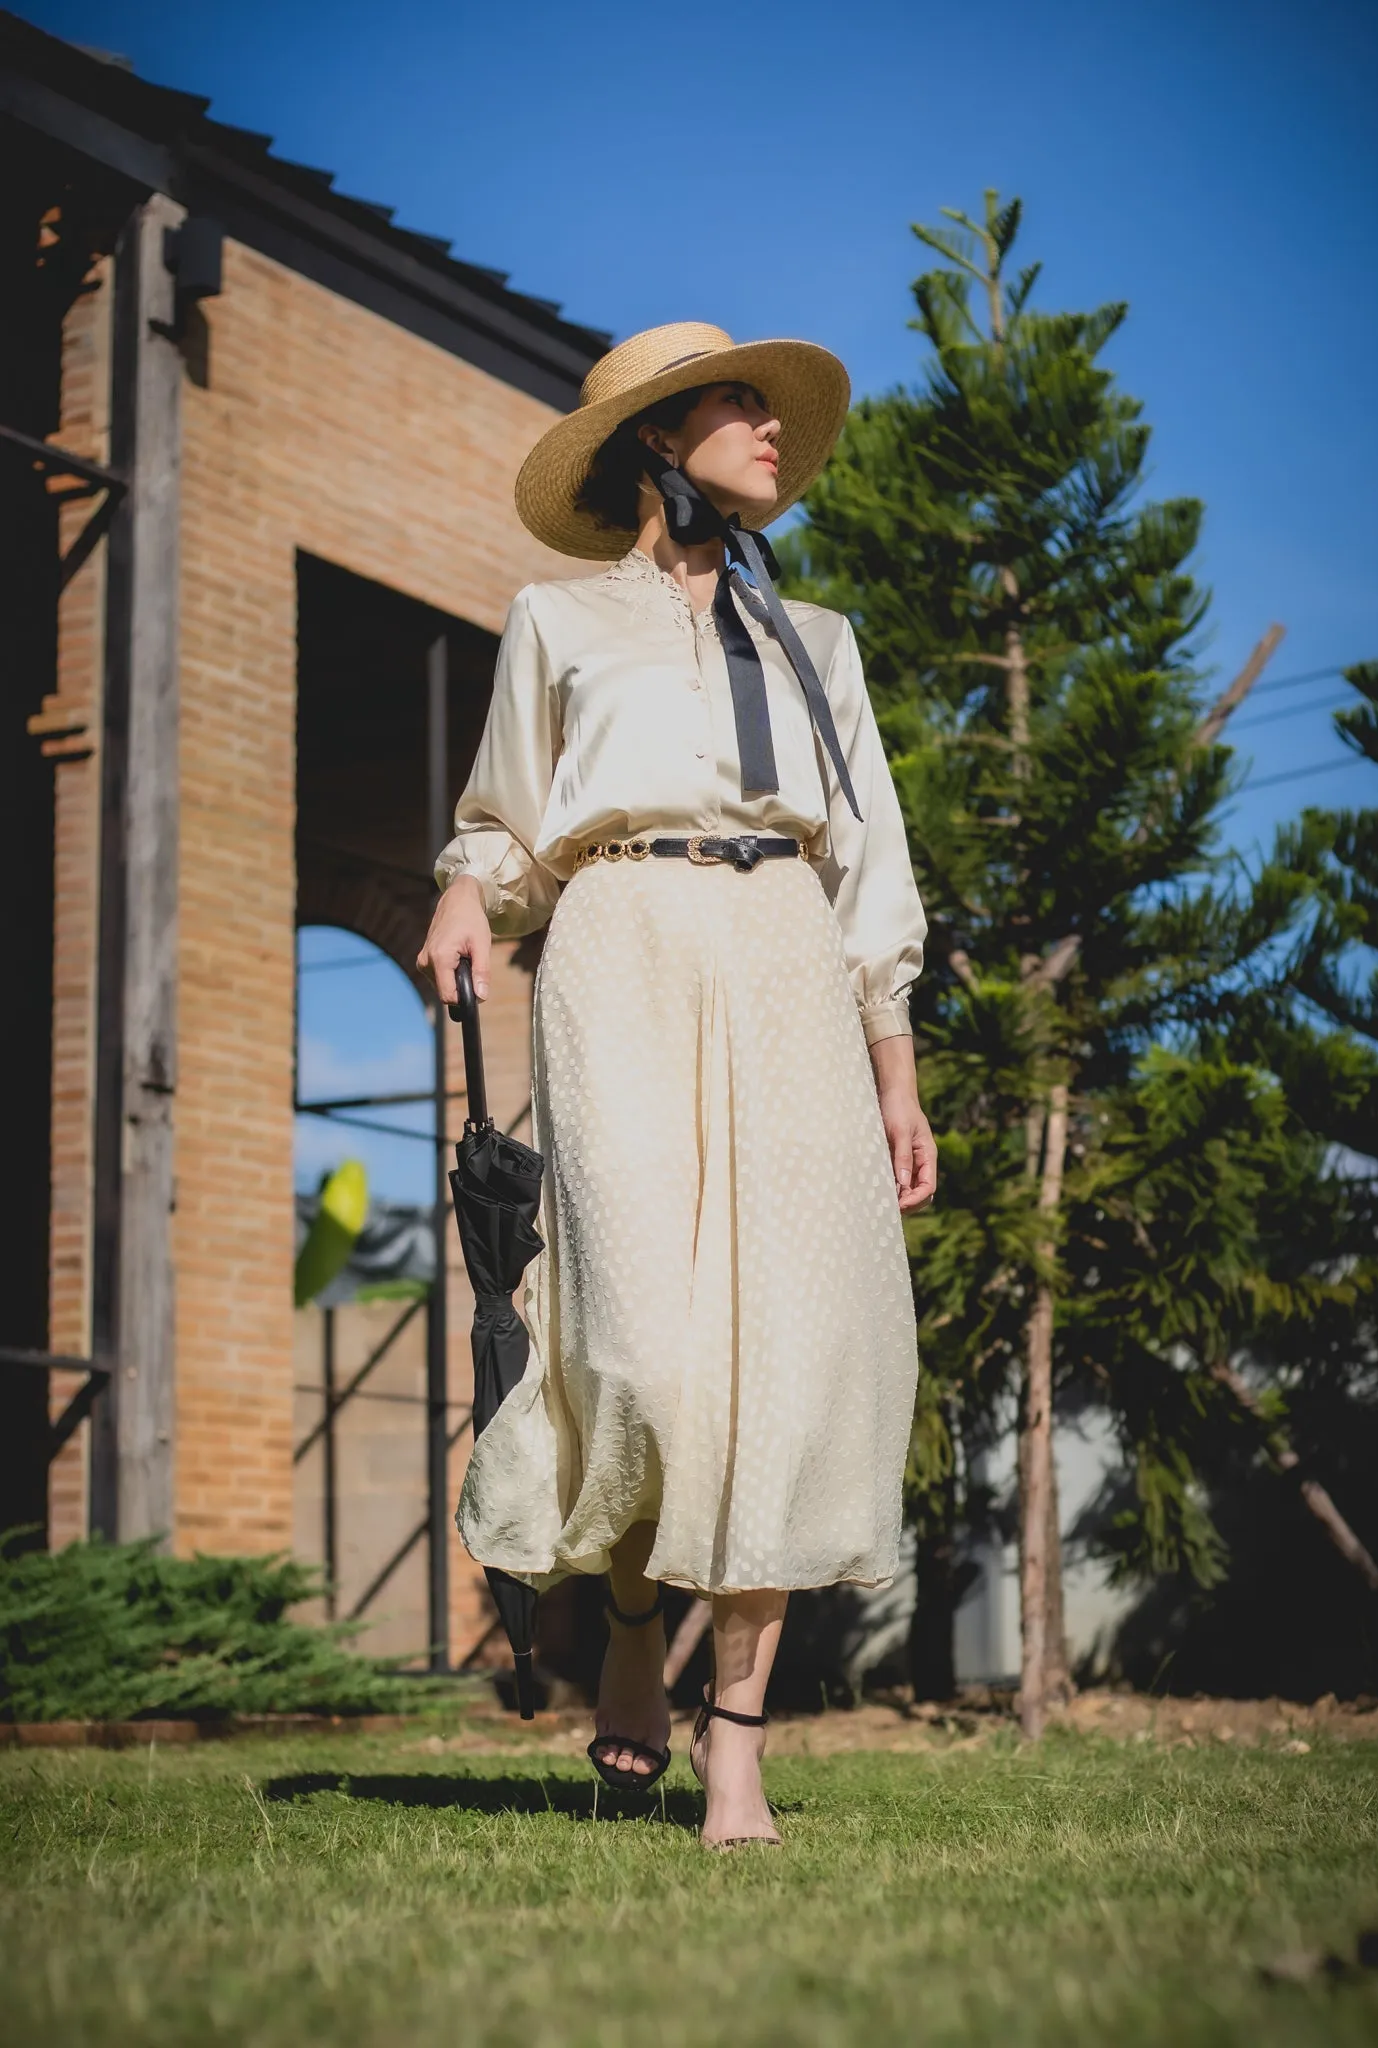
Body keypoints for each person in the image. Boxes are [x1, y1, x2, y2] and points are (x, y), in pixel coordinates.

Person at [418, 321, 935, 1848]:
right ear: (657, 440)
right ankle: (635, 1623)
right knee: (641, 1348)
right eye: (740, 408)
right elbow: (509, 816)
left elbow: (873, 871)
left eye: (778, 414)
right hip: (621, 948)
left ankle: (740, 1749)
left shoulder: (821, 643)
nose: (775, 433)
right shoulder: (558, 620)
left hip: (783, 955)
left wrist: (896, 1074)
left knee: (776, 1360)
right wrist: (465, 889)